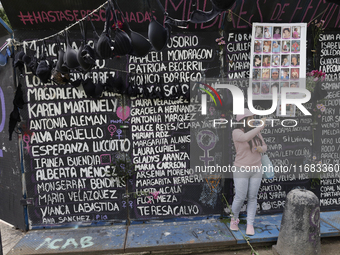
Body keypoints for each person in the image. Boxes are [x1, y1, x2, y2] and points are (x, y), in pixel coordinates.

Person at [230, 109, 267, 236]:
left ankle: (250, 224)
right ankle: (234, 219)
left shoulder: (256, 132)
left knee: (252, 197)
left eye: (253, 117)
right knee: (240, 197)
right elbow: (246, 137)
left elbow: (265, 146)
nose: (253, 120)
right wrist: (260, 127)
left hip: (257, 169)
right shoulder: (236, 132)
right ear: (243, 120)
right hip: (241, 169)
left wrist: (261, 148)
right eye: (250, 118)